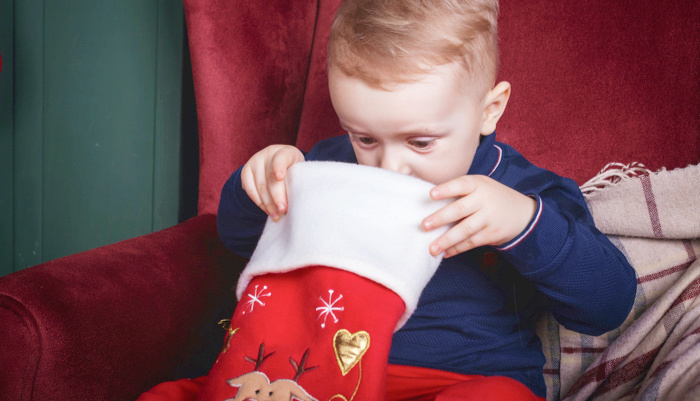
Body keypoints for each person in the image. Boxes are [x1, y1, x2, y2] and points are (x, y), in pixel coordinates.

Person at [217, 0, 637, 399]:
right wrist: (259, 185)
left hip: (464, 380)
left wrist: (525, 224)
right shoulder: (331, 168)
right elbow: (240, 239)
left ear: (489, 110)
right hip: (333, 376)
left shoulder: (523, 191)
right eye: (365, 138)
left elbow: (608, 306)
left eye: (420, 142)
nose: (389, 167)